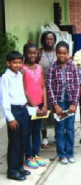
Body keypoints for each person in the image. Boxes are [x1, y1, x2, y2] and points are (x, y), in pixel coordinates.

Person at [46, 41, 80, 164]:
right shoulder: (52, 68)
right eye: (59, 53)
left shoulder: (73, 67)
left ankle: (70, 153)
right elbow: (49, 86)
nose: (62, 55)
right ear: (56, 54)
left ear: (68, 54)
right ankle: (62, 154)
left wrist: (73, 104)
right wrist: (55, 105)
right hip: (59, 102)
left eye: (64, 53)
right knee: (60, 129)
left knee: (70, 128)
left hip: (70, 102)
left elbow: (77, 86)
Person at [1, 51, 31, 181]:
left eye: (20, 62)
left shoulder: (19, 75)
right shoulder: (5, 78)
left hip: (23, 110)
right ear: (8, 63)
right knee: (14, 142)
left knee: (23, 140)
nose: (18, 65)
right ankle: (12, 171)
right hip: (13, 112)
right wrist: (10, 117)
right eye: (15, 62)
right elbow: (4, 99)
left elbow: (21, 93)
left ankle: (19, 167)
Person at [22, 43, 47, 168]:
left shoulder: (39, 67)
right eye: (30, 53)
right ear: (25, 54)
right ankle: (29, 156)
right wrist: (35, 107)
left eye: (35, 53)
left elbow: (43, 86)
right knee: (28, 131)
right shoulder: (22, 69)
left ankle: (36, 153)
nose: (32, 55)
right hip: (29, 106)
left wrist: (45, 105)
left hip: (40, 104)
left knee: (37, 130)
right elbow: (24, 90)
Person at [38, 31, 57, 149]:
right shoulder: (39, 53)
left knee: (56, 113)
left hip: (56, 88)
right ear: (43, 40)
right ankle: (44, 139)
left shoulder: (58, 52)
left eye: (51, 39)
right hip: (42, 88)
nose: (49, 41)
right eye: (47, 39)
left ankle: (56, 136)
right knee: (44, 113)